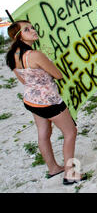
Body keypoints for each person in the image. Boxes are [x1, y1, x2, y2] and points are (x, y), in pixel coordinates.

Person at [6, 20, 87, 185]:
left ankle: (53, 168)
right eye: (27, 29)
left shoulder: (12, 56)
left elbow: (23, 80)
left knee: (43, 133)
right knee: (70, 132)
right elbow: (58, 75)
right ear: (19, 36)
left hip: (31, 100)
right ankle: (70, 173)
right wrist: (48, 64)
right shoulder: (34, 55)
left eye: (32, 27)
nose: (33, 30)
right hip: (50, 101)